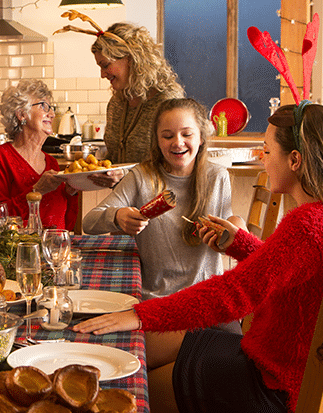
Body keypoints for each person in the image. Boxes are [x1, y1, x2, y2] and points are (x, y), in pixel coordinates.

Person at [74, 102, 323, 413]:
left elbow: (233, 293)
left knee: (131, 392)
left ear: (294, 160)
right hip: (279, 370)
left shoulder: (307, 224)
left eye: (266, 150)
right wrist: (238, 242)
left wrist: (138, 315)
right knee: (140, 357)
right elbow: (281, 270)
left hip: (270, 390)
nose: (263, 159)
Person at [82, 97, 241, 301]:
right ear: (157, 140)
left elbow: (229, 229)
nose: (177, 142)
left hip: (207, 297)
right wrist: (117, 216)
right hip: (157, 299)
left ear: (201, 137)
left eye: (187, 134)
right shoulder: (140, 177)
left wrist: (235, 227)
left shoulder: (218, 177)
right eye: (167, 136)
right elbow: (89, 222)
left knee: (237, 335)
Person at [55, 12, 184, 184]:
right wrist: (99, 170)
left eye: (106, 65)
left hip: (159, 200)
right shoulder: (116, 103)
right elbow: (114, 158)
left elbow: (176, 165)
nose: (102, 74)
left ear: (131, 59)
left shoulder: (167, 102)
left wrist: (125, 175)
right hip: (124, 200)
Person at [0, 79, 78, 231]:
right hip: (19, 252)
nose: (51, 114)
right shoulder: (0, 158)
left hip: (54, 249)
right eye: (44, 106)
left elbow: (67, 224)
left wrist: (71, 193)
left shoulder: (51, 162)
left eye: (51, 108)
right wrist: (36, 191)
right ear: (21, 114)